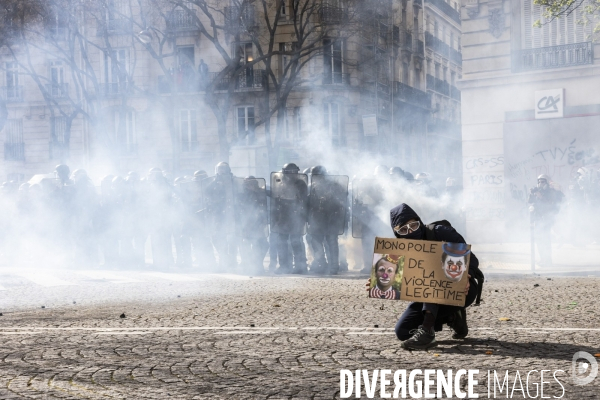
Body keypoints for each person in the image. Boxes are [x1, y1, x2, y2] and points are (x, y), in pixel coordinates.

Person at [368, 203, 481, 350]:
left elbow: (472, 259)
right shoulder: (402, 251)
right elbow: (407, 281)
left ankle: (427, 331)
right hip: (429, 298)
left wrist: (468, 276)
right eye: (403, 230)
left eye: (413, 226)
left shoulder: (440, 232)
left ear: (419, 222)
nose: (410, 231)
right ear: (397, 234)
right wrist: (380, 282)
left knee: (432, 277)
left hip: (462, 290)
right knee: (402, 331)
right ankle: (453, 317)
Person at [528, 174, 564, 267]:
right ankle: (542, 259)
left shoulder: (550, 192)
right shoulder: (537, 191)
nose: (540, 183)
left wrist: (541, 197)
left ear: (547, 182)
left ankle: (548, 260)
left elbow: (551, 203)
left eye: (542, 181)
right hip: (538, 219)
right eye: (539, 181)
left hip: (547, 219)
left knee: (546, 240)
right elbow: (530, 202)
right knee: (539, 240)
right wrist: (532, 194)